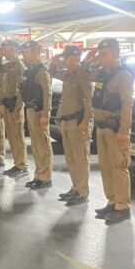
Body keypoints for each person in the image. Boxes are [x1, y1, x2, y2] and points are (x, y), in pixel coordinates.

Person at [82, 38, 134, 224]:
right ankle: (112, 201)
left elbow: (127, 104)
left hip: (115, 129)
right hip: (101, 127)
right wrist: (87, 60)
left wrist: (124, 131)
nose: (101, 58)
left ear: (114, 54)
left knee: (119, 167)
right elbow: (84, 76)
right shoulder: (102, 73)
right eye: (100, 54)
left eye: (104, 54)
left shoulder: (123, 75)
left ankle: (123, 206)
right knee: (106, 167)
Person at [50, 46, 93, 205]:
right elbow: (52, 73)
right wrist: (54, 62)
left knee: (80, 158)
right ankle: (75, 187)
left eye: (66, 57)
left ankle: (82, 192)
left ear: (75, 58)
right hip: (67, 121)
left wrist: (85, 121)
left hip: (78, 121)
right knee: (70, 157)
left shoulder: (83, 75)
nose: (64, 61)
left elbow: (89, 101)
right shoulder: (68, 74)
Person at [19, 40, 53, 189]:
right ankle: (39, 175)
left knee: (43, 145)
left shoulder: (41, 70)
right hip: (30, 109)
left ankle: (45, 177)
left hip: (39, 111)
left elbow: (47, 93)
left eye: (27, 52)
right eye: (24, 53)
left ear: (35, 52)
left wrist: (46, 114)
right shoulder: (30, 70)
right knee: (36, 145)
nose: (25, 55)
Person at [0, 40, 29, 178]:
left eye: (6, 50)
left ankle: (22, 165)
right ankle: (17, 163)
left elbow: (21, 90)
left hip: (15, 105)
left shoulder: (19, 66)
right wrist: (1, 103)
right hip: (7, 104)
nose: (4, 52)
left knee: (18, 137)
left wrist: (18, 109)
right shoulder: (8, 65)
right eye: (3, 50)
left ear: (13, 50)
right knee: (11, 136)